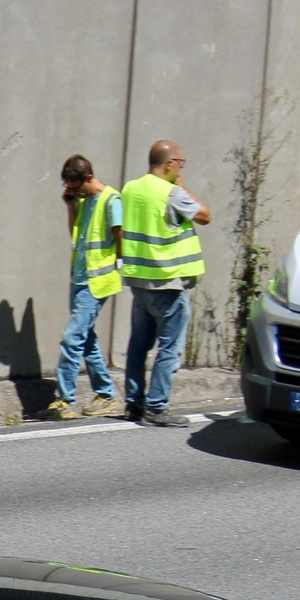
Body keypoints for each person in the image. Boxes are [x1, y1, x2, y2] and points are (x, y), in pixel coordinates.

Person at [117, 139, 211, 428]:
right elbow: (205, 215)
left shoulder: (131, 188)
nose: (181, 168)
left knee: (138, 345)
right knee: (170, 347)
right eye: (180, 163)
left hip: (139, 281)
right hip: (168, 282)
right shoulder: (171, 193)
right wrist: (181, 186)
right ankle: (156, 408)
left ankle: (134, 403)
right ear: (170, 164)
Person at [46, 155, 124, 419]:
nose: (73, 192)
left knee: (72, 338)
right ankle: (106, 394)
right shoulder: (85, 201)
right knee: (86, 340)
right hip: (80, 279)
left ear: (89, 178)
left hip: (97, 282)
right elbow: (76, 236)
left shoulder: (111, 200)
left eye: (76, 187)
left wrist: (120, 267)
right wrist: (71, 207)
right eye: (69, 188)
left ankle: (65, 400)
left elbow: (121, 238)